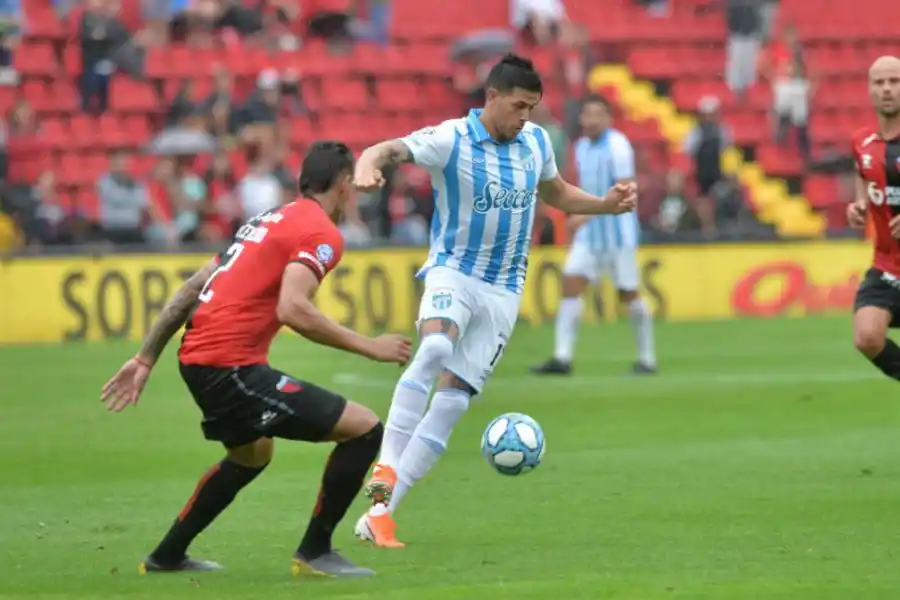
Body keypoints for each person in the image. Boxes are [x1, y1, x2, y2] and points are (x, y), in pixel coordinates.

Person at [349, 53, 637, 548]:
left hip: (504, 290)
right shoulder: (451, 139)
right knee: (436, 350)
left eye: (533, 107)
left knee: (454, 402)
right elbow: (390, 149)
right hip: (453, 272)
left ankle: (380, 515)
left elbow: (558, 193)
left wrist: (605, 205)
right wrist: (366, 163)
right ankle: (385, 473)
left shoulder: (535, 142)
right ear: (492, 98)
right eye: (519, 105)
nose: (525, 116)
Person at [99, 141, 412, 577]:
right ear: (343, 183)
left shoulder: (266, 220)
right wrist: (370, 346)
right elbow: (293, 308)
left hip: (200, 360)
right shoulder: (320, 232)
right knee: (363, 429)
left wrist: (146, 357)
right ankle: (315, 551)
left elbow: (191, 288)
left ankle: (167, 556)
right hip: (230, 367)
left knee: (251, 454)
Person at [530, 94, 657, 376]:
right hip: (590, 236)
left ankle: (647, 359)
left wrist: (584, 215)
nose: (592, 120)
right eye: (587, 114)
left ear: (608, 118)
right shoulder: (582, 147)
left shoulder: (618, 146)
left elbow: (625, 190)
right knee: (571, 283)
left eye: (598, 114)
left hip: (617, 234)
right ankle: (562, 358)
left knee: (629, 295)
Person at [848, 56, 900, 384]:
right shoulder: (862, 142)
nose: (887, 89)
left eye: (894, 82)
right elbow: (863, 172)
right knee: (867, 336)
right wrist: (859, 203)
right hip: (887, 267)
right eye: (879, 82)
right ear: (869, 90)